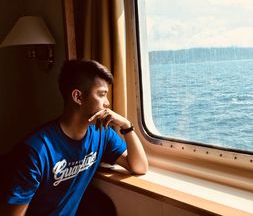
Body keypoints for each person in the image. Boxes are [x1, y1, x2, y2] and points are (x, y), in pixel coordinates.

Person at [0, 59, 148, 216]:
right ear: (78, 97)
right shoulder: (36, 151)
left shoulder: (102, 134)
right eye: (102, 94)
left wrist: (126, 126)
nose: (107, 103)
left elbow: (139, 167)